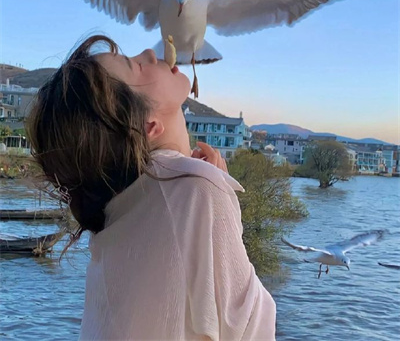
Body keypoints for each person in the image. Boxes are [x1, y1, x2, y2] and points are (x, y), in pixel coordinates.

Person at [27, 35, 276, 340]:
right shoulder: (194, 189)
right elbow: (251, 328)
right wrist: (215, 194)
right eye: (137, 66)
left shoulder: (120, 205)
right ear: (148, 125)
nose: (148, 52)